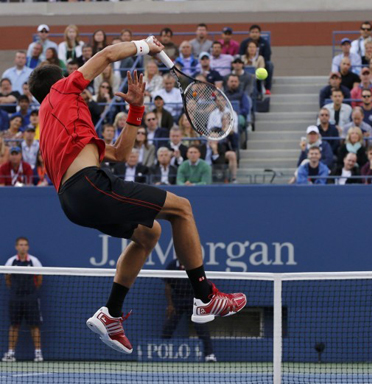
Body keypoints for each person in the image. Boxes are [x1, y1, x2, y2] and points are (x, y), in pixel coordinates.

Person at [28, 37, 246, 355]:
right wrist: (145, 44)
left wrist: (136, 108)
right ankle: (205, 296)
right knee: (182, 209)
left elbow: (118, 153)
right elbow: (106, 54)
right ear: (59, 82)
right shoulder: (61, 92)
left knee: (149, 233)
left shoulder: (58, 120)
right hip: (90, 186)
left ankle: (111, 314)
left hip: (72, 201)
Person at [162, 258, 216, 362]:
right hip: (177, 300)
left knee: (201, 327)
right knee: (169, 326)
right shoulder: (172, 265)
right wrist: (170, 305)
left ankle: (209, 354)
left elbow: (203, 283)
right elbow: (167, 286)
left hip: (194, 300)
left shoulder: (194, 263)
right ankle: (161, 351)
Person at [2, 237, 44, 363]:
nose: (23, 247)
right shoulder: (11, 261)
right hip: (15, 298)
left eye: (25, 245)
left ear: (28, 247)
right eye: (20, 245)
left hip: (31, 298)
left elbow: (40, 278)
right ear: (16, 247)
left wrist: (32, 291)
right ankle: (11, 353)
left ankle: (38, 353)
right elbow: (7, 278)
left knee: (34, 325)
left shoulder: (34, 261)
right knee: (14, 325)